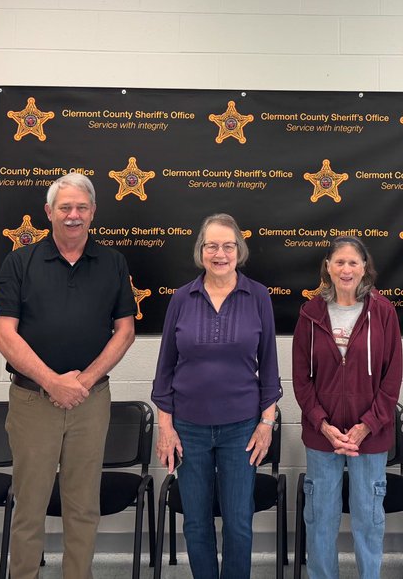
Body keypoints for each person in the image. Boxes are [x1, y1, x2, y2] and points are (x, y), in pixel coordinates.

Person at [0, 172, 137, 579]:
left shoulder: (112, 262)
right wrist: (53, 382)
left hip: (91, 403)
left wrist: (83, 382)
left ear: (93, 212)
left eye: (81, 207)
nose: (73, 215)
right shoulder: (20, 261)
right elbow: (4, 336)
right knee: (30, 503)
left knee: (83, 504)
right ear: (48, 212)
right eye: (64, 207)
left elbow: (124, 331)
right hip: (32, 401)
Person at [152, 213, 282, 579]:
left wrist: (266, 424)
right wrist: (166, 428)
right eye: (212, 245)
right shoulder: (182, 297)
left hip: (242, 430)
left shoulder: (257, 296)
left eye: (228, 246)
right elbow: (165, 370)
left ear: (239, 251)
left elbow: (269, 367)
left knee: (239, 523)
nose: (220, 253)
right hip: (188, 429)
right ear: (201, 251)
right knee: (195, 522)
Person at [293, 236, 403, 579]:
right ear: (327, 267)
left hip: (369, 438)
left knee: (368, 518)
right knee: (321, 518)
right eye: (339, 262)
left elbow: (392, 377)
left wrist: (366, 425)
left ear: (364, 268)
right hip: (321, 436)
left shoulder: (383, 312)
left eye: (353, 262)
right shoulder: (310, 314)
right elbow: (301, 380)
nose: (346, 269)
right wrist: (322, 424)